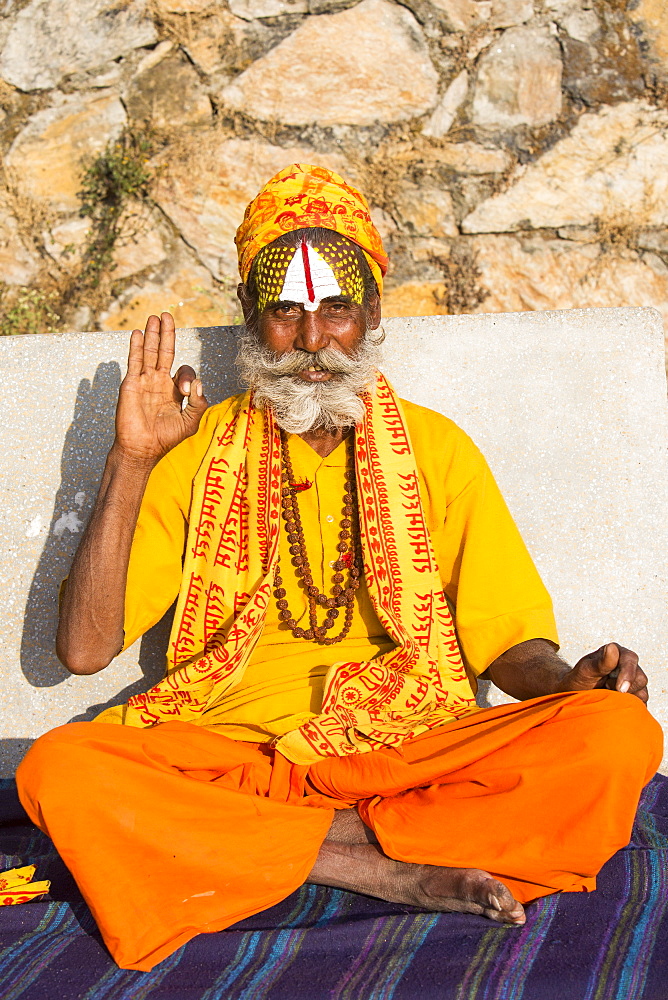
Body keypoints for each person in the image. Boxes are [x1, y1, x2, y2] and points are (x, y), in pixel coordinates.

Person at [17, 165, 662, 972]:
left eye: (337, 311)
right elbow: (82, 652)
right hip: (240, 756)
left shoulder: (438, 449)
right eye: (286, 312)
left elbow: (508, 643)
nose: (314, 342)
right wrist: (131, 460)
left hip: (406, 748)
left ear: (375, 314)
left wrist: (569, 687)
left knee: (614, 736)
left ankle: (283, 848)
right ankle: (367, 862)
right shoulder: (194, 451)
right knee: (61, 770)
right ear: (253, 317)